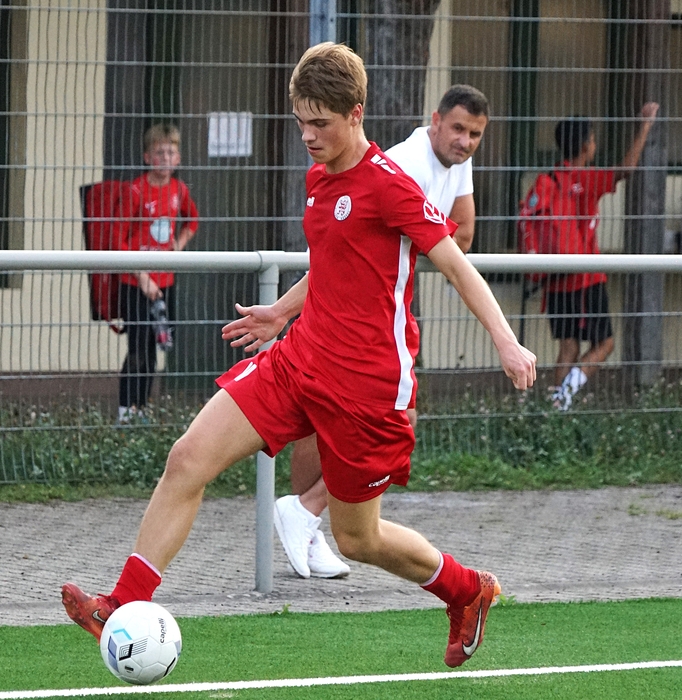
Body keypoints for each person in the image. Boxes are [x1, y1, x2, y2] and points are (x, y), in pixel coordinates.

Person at [62, 42, 536, 669]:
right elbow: (334, 261)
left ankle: (464, 589)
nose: (308, 136)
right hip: (299, 360)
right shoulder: (319, 178)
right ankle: (120, 603)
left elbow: (455, 263)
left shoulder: (391, 185)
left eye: (321, 123)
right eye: (301, 122)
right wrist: (282, 313)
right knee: (188, 458)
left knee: (357, 538)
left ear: (356, 113)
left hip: (366, 386)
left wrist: (505, 339)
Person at [275, 85, 491, 580]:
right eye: (458, 129)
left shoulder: (457, 159)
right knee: (339, 419)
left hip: (386, 309)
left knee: (384, 426)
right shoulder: (402, 167)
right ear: (434, 121)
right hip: (354, 314)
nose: (465, 142)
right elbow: (340, 257)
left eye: (475, 134)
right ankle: (305, 510)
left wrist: (416, 240)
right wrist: (283, 311)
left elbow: (462, 234)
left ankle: (307, 514)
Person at [542, 104, 659, 410]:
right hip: (585, 277)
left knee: (568, 346)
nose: (595, 144)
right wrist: (645, 126)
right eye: (593, 139)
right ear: (584, 146)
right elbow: (626, 170)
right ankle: (562, 399)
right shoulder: (587, 177)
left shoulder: (553, 178)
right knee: (605, 344)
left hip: (554, 276)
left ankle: (557, 411)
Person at [117, 124, 200, 422]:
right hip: (135, 283)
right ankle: (126, 410)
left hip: (165, 282)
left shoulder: (179, 190)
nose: (165, 158)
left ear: (178, 158)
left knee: (154, 349)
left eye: (170, 152)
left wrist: (179, 244)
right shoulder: (135, 190)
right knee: (138, 348)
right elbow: (119, 240)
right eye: (159, 152)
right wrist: (142, 277)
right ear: (147, 157)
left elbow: (192, 220)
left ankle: (142, 409)